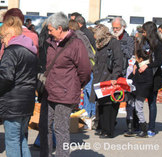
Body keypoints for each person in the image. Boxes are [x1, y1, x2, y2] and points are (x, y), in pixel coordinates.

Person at [41, 12, 91, 157]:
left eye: (51, 30)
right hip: (49, 90)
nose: (48, 32)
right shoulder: (50, 42)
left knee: (60, 129)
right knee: (45, 126)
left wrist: (75, 85)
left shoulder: (76, 44)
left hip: (65, 93)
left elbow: (85, 70)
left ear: (60, 28)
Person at [0, 16, 37, 157]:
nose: (2, 41)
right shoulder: (30, 50)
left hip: (12, 102)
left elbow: (5, 77)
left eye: (2, 37)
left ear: (9, 35)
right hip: (26, 101)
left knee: (12, 141)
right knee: (20, 138)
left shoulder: (11, 51)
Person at [90, 24, 124, 138]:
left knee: (109, 105)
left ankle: (108, 130)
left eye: (95, 33)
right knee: (101, 104)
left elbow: (118, 61)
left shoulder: (113, 43)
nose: (94, 36)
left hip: (109, 78)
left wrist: (115, 77)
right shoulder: (99, 44)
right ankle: (102, 127)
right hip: (99, 77)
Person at [140, 21, 162, 137]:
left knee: (152, 102)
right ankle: (138, 125)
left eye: (144, 31)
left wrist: (147, 66)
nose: (143, 34)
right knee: (138, 101)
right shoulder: (144, 42)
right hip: (143, 76)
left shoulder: (159, 44)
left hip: (154, 77)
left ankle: (152, 127)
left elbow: (159, 62)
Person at [127, 39, 155, 138]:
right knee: (133, 107)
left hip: (141, 92)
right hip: (136, 91)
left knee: (139, 109)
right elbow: (132, 76)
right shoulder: (139, 66)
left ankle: (144, 129)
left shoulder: (146, 69)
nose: (135, 60)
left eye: (137, 58)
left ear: (141, 59)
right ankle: (135, 127)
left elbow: (147, 83)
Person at [69, 20, 95, 118]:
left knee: (88, 90)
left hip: (86, 65)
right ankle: (89, 112)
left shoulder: (77, 37)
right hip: (88, 64)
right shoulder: (81, 35)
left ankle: (90, 113)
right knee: (87, 91)